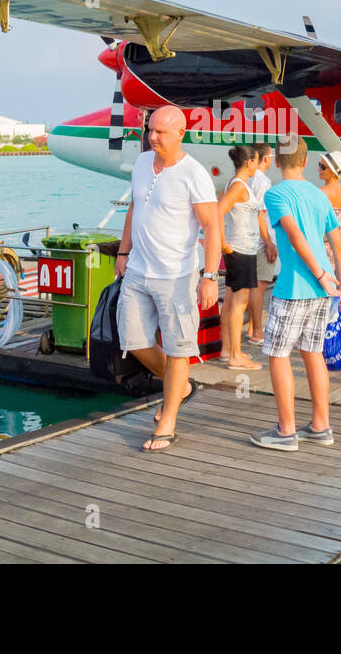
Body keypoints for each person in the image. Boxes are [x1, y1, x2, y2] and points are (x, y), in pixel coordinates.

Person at [115, 105, 222, 452]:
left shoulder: (194, 174)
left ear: (181, 132)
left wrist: (210, 277)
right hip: (137, 271)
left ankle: (169, 421)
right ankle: (182, 386)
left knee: (179, 350)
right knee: (132, 338)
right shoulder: (143, 163)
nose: (153, 136)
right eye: (150, 130)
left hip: (176, 276)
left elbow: (212, 226)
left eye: (161, 131)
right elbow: (134, 205)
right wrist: (123, 250)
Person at [251, 136, 341, 451]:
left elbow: (293, 235)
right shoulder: (320, 195)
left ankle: (286, 431)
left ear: (277, 161)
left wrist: (319, 272)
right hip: (324, 291)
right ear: (306, 162)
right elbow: (338, 245)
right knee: (313, 353)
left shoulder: (276, 193)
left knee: (278, 355)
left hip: (293, 287)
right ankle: (321, 426)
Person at [217, 144, 264, 371]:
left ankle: (227, 349)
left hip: (242, 249)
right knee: (239, 303)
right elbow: (218, 212)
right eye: (256, 160)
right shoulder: (238, 186)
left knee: (230, 300)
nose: (257, 164)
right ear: (248, 163)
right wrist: (224, 244)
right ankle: (236, 355)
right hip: (241, 250)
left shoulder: (236, 184)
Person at [246, 141, 279, 345]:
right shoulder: (263, 182)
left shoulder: (247, 178)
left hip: (247, 238)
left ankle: (252, 328)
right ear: (266, 158)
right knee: (259, 286)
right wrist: (268, 242)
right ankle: (258, 332)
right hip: (259, 240)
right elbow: (260, 214)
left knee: (250, 287)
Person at [317, 150, 341, 267]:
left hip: (323, 244)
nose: (319, 169)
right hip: (337, 244)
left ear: (333, 171)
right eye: (319, 165)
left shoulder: (322, 193)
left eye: (323, 167)